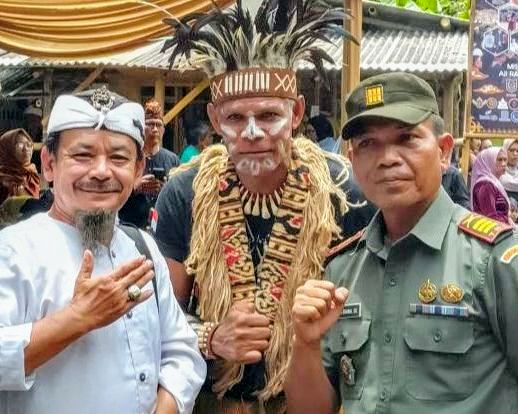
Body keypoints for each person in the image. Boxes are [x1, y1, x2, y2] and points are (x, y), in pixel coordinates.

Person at [156, 2, 375, 412]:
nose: (253, 132)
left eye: (269, 115)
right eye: (236, 118)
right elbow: (163, 318)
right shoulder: (185, 191)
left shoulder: (343, 191)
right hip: (214, 400)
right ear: (214, 119)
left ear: (296, 113)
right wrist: (211, 338)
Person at [285, 72, 518, 414]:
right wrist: (305, 344)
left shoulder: (495, 260)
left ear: (443, 151)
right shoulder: (343, 269)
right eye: (368, 143)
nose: (387, 158)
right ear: (352, 159)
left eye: (407, 138)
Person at [0, 87, 206, 414]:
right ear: (49, 165)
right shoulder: (13, 252)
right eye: (83, 155)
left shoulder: (142, 248)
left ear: (138, 169)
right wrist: (76, 319)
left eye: (119, 158)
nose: (101, 171)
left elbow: (182, 352)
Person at [118, 98, 179, 228]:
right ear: (141, 128)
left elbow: (179, 197)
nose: (155, 129)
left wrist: (165, 190)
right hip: (131, 225)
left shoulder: (172, 159)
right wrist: (134, 188)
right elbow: (115, 193)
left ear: (163, 129)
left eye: (158, 125)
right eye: (150, 124)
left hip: (162, 227)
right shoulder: (130, 158)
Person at [0, 128, 40, 205]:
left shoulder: (31, 174)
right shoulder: (3, 181)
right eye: (20, 144)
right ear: (8, 150)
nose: (26, 149)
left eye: (29, 144)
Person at [471, 147, 510, 224]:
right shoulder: (485, 185)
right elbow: (490, 218)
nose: (504, 164)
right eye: (499, 160)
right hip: (493, 229)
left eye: (505, 160)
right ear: (488, 162)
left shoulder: (494, 182)